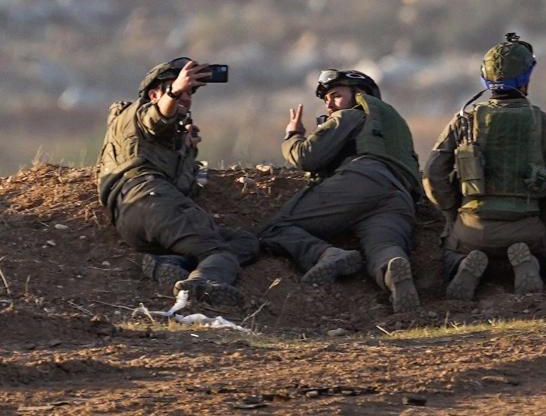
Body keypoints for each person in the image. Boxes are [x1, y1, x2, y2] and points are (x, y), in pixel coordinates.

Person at [424, 34, 546, 300]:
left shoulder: (464, 121)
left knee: (449, 252)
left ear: (485, 79)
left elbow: (433, 173)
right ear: (527, 79)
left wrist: (454, 213)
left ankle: (466, 266)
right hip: (528, 228)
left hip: (472, 229)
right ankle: (532, 265)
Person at [96, 57, 258, 307]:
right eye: (182, 91)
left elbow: (183, 189)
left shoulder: (167, 143)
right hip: (147, 197)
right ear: (154, 93)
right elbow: (155, 118)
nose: (187, 97)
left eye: (190, 93)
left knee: (245, 243)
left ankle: (171, 264)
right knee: (219, 253)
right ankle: (202, 286)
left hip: (148, 214)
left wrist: (186, 152)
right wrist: (173, 91)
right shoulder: (134, 115)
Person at [258, 69, 421, 313]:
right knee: (384, 246)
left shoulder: (351, 116)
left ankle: (327, 254)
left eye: (335, 95)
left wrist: (293, 135)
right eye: (326, 101)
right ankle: (393, 274)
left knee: (275, 229)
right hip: (399, 195)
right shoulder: (394, 129)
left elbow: (306, 157)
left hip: (363, 180)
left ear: (360, 95)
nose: (330, 105)